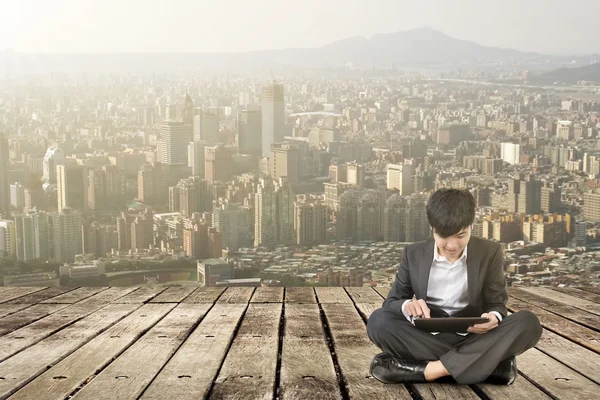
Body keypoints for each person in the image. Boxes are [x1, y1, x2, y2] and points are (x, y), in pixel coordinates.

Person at [367, 188, 542, 385]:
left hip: (474, 338)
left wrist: (493, 317)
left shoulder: (489, 252)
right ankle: (489, 366)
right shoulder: (413, 253)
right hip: (425, 337)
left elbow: (498, 304)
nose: (452, 245)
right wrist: (406, 305)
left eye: (460, 235)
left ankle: (430, 370)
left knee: (528, 323)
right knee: (378, 321)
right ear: (432, 228)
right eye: (444, 236)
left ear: (471, 226)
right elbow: (391, 302)